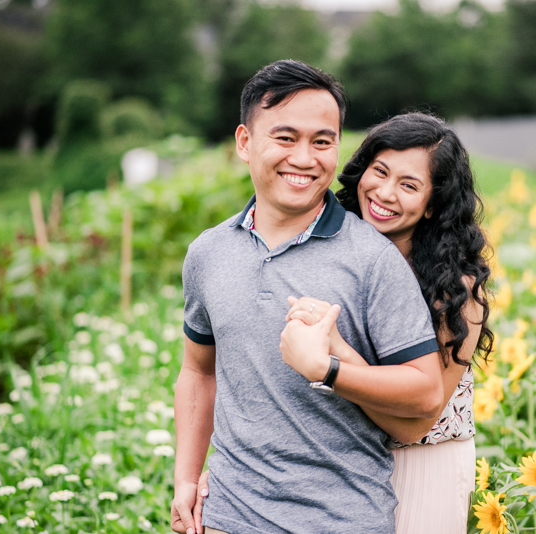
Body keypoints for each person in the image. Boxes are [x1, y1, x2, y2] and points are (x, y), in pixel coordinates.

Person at [171, 60, 446, 534]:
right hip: (228, 516)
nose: (305, 157)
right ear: (244, 142)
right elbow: (198, 371)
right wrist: (185, 479)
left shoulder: (372, 258)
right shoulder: (207, 253)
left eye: (322, 142)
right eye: (285, 137)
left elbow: (425, 390)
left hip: (342, 520)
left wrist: (329, 369)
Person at [196, 113, 494, 533]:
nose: (385, 193)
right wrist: (240, 478)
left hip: (425, 464)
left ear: (433, 205)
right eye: (380, 172)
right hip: (335, 463)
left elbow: (413, 422)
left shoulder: (455, 292)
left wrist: (335, 353)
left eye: (409, 186)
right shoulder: (331, 250)